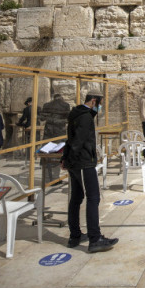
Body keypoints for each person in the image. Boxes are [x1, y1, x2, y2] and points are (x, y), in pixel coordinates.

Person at [61, 91, 118, 253]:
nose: (99, 107)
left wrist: (66, 159)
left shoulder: (77, 113)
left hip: (74, 162)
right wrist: (71, 159)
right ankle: (95, 238)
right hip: (83, 162)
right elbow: (78, 141)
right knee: (93, 197)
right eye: (99, 103)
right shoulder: (85, 118)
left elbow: (70, 138)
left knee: (76, 197)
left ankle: (75, 236)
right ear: (93, 100)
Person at [40, 94, 71, 181]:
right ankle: (56, 178)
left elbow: (42, 118)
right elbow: (68, 119)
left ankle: (46, 178)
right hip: (59, 131)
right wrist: (59, 121)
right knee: (59, 155)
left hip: (48, 132)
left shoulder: (47, 105)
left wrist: (51, 120)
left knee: (46, 155)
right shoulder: (65, 105)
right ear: (62, 98)